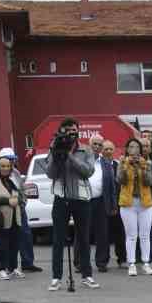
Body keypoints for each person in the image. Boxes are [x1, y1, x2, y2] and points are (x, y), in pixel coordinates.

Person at [44, 117, 91, 290]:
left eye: (74, 130)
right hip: (61, 198)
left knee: (84, 238)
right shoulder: (54, 148)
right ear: (62, 131)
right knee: (58, 239)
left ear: (78, 131)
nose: (71, 133)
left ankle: (87, 275)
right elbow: (50, 174)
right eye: (67, 130)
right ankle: (56, 277)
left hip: (81, 198)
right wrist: (58, 156)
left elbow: (88, 171)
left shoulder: (85, 150)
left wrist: (70, 156)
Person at [0, 147, 41, 275]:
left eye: (12, 160)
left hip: (19, 209)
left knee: (25, 235)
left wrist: (23, 201)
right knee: (6, 239)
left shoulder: (15, 172)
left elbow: (22, 189)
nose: (12, 163)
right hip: (4, 211)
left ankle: (28, 263)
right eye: (9, 160)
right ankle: (6, 266)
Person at [117, 136, 152, 276]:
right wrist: (124, 165)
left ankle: (146, 263)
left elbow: (149, 182)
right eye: (131, 147)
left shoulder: (146, 163)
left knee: (145, 235)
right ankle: (132, 263)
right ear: (127, 150)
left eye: (137, 147)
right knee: (131, 235)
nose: (134, 150)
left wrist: (144, 167)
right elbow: (120, 180)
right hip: (128, 203)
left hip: (145, 203)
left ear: (140, 150)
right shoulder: (122, 162)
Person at [0, 153, 24, 280]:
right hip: (1, 218)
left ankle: (12, 268)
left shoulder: (12, 179)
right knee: (2, 245)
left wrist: (19, 199)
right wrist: (7, 201)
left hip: (15, 217)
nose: (6, 168)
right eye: (3, 166)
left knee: (14, 245)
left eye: (8, 166)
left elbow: (20, 194)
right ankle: (1, 269)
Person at [99, 140, 124, 268]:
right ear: (101, 151)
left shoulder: (117, 164)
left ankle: (122, 259)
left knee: (120, 232)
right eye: (106, 149)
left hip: (118, 203)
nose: (108, 151)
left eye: (110, 149)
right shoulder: (99, 165)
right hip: (103, 203)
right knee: (104, 234)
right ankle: (103, 261)